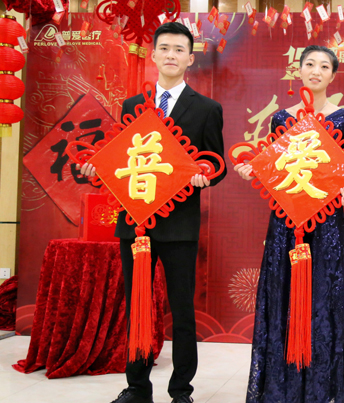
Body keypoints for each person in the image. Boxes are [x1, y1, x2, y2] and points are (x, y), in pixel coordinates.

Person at [79, 22, 227, 403]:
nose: (171, 55)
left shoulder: (207, 109)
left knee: (182, 312)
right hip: (135, 226)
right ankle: (137, 387)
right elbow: (120, 159)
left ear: (190, 58)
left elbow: (219, 164)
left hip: (179, 227)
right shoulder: (133, 106)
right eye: (165, 48)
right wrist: (98, 168)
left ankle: (181, 391)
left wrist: (205, 176)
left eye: (179, 50)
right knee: (138, 307)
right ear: (154, 55)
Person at [233, 45, 344, 403]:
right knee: (283, 294)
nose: (316, 71)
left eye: (324, 66)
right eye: (310, 64)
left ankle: (322, 388)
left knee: (325, 298)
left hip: (327, 222)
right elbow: (275, 169)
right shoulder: (281, 119)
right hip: (286, 222)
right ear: (298, 70)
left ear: (333, 75)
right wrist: (252, 170)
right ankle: (281, 387)